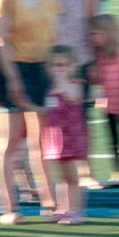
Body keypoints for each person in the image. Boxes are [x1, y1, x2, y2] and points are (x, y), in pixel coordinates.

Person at [0, 0, 59, 225]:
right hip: (14, 69)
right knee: (9, 142)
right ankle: (9, 207)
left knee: (42, 143)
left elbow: (53, 37)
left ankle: (51, 202)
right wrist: (13, 78)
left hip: (42, 70)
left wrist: (56, 74)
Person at [38, 0, 102, 190]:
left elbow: (93, 22)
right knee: (44, 125)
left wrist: (96, 60)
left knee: (81, 121)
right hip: (47, 68)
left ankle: (85, 173)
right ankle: (47, 183)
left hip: (80, 62)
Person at [41, 45, 88, 223]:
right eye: (54, 65)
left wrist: (61, 82)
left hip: (71, 138)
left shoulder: (75, 86)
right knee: (61, 177)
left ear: (73, 66)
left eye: (63, 65)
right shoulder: (51, 88)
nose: (58, 69)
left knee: (73, 178)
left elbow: (72, 97)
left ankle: (76, 211)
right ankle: (62, 208)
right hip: (56, 139)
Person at [89, 13, 119, 186]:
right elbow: (101, 80)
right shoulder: (100, 57)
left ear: (109, 33)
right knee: (114, 141)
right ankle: (118, 173)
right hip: (109, 107)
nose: (92, 38)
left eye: (96, 34)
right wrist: (94, 76)